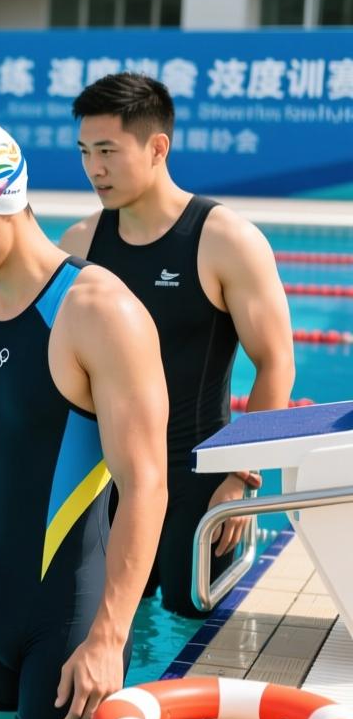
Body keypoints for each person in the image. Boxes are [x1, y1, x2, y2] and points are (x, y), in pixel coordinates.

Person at [0, 119, 168, 719]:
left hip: (70, 618)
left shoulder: (99, 311)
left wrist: (108, 637)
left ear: (2, 200)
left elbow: (146, 484)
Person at [60, 73, 295, 617]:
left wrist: (242, 476)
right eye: (84, 152)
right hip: (104, 484)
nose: (94, 168)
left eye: (107, 151)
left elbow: (275, 361)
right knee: (105, 627)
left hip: (199, 482)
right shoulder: (80, 244)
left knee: (191, 629)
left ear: (157, 147)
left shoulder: (224, 240)